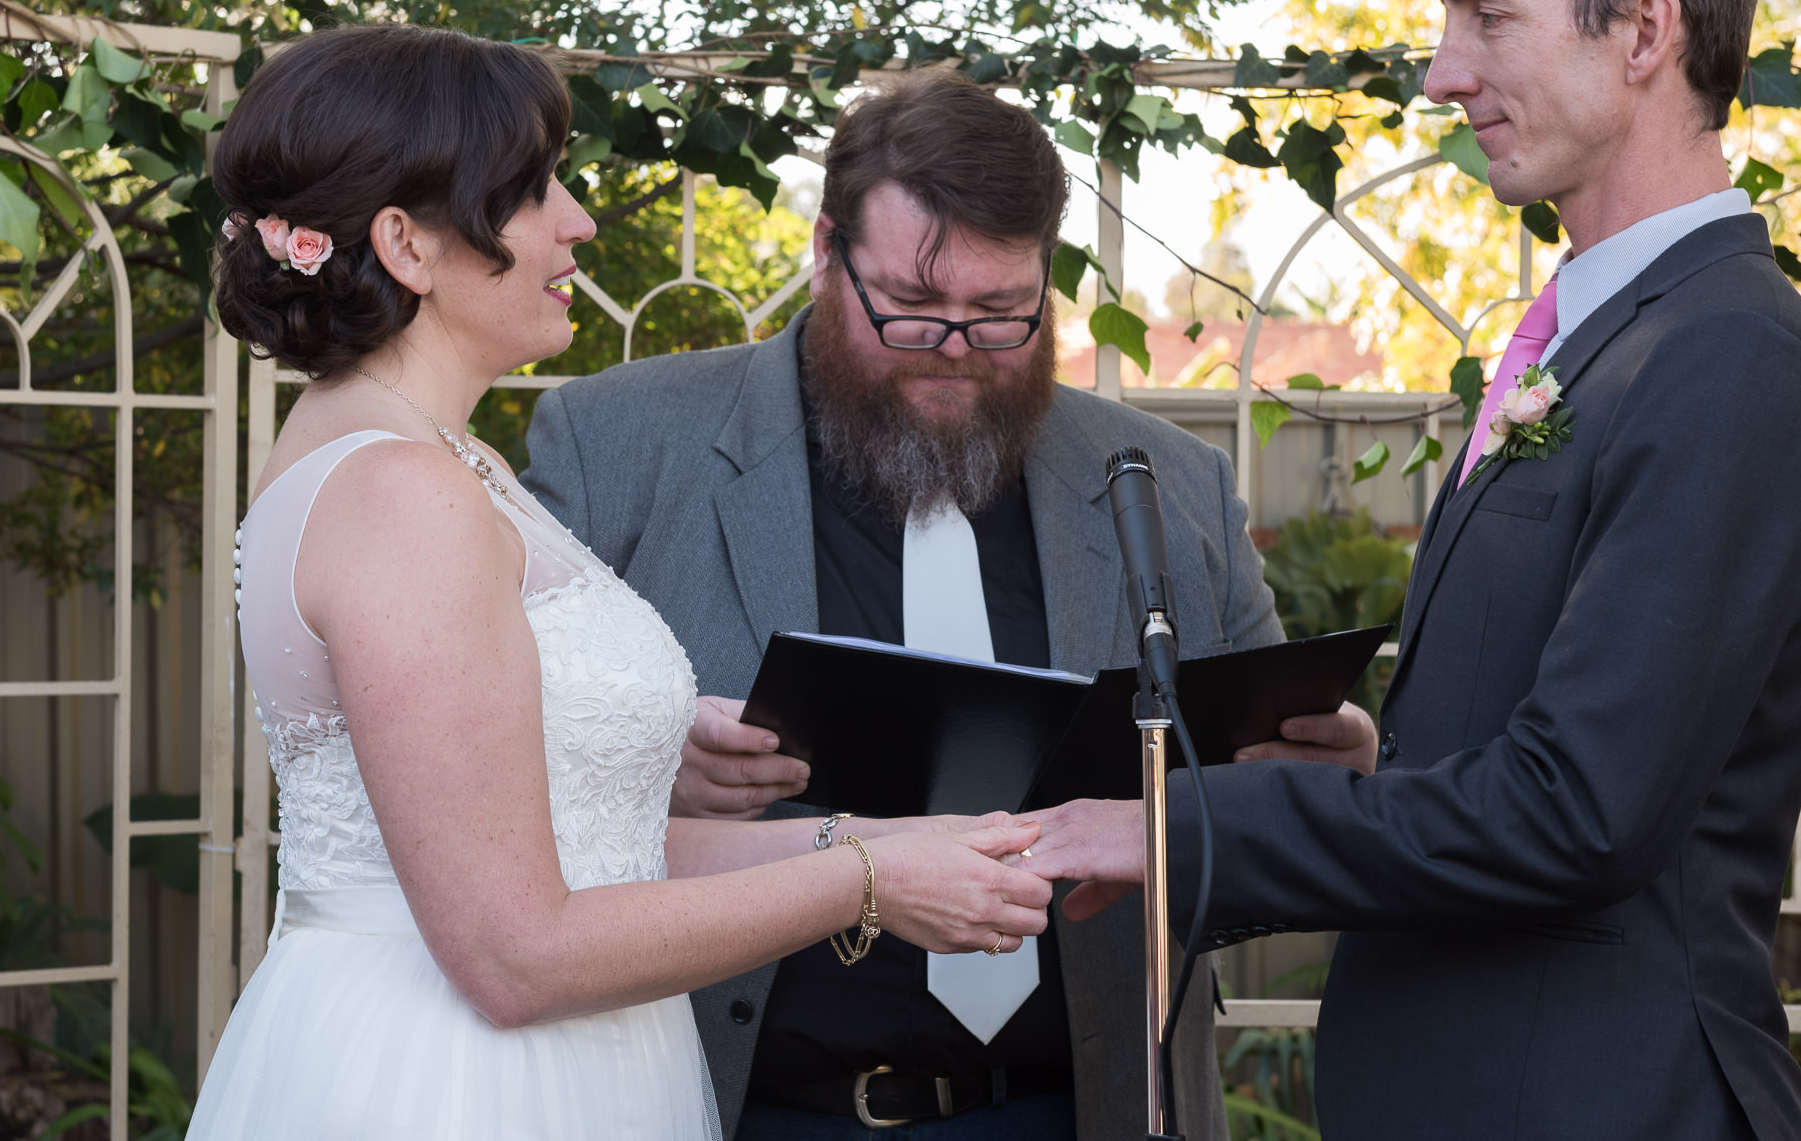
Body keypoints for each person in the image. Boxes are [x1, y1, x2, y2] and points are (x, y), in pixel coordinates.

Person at [1023, 0, 1801, 1141]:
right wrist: (1385, 757)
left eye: (1487, 18)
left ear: (1645, 33)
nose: (1441, 73)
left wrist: (1180, 823)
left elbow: (1580, 812)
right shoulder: (1598, 335)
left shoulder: (1729, 354)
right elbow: (1546, 741)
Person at [189, 25, 1054, 1141]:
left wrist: (874, 838)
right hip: (458, 1086)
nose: (577, 220)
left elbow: (587, 850)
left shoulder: (446, 461)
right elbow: (514, 952)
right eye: (534, 188)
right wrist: (864, 880)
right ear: (406, 243)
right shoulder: (404, 490)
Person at [521, 67, 1379, 1141]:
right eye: (914, 309)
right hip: (741, 1106)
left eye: (998, 313)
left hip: (1077, 1109)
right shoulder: (617, 448)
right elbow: (490, 787)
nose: (957, 349)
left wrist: (1321, 777)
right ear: (826, 252)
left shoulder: (1167, 480)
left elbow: (1248, 815)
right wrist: (651, 768)